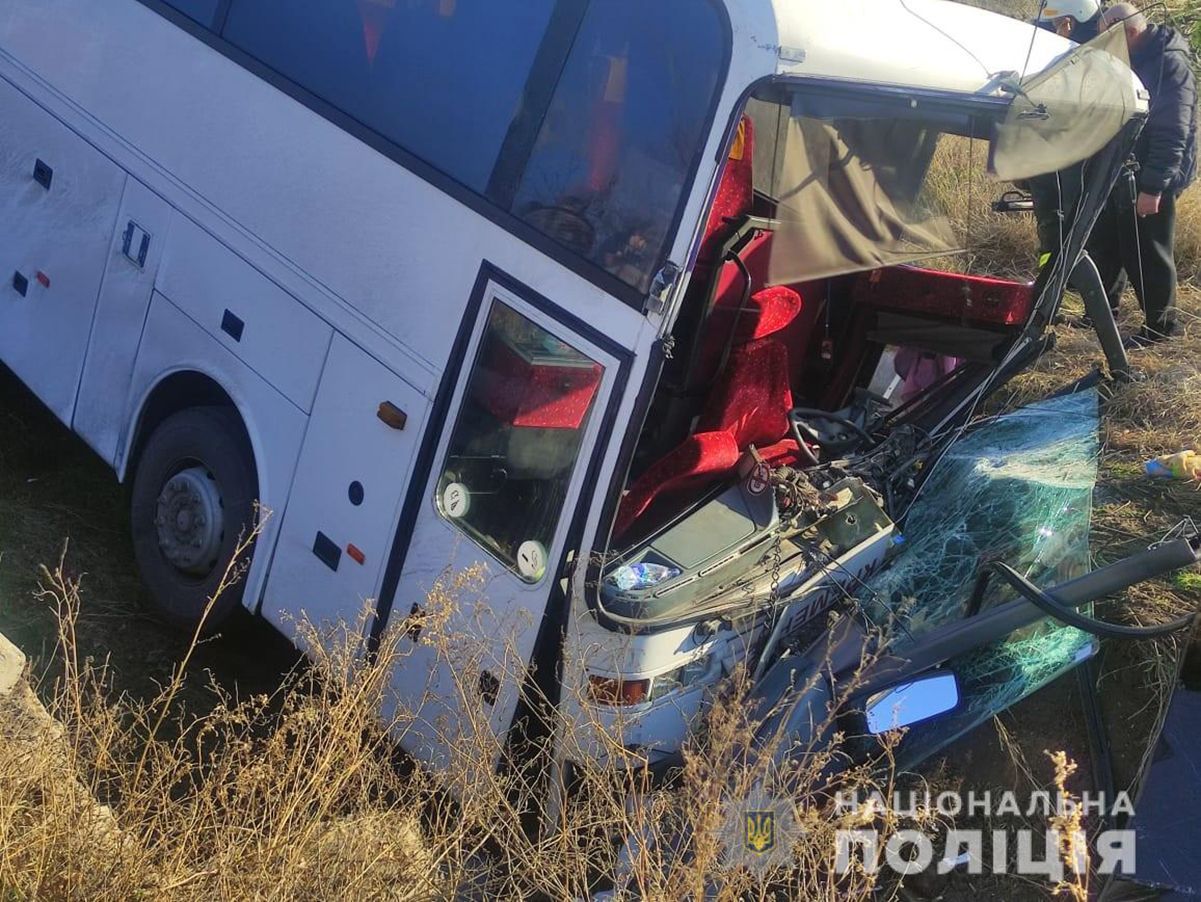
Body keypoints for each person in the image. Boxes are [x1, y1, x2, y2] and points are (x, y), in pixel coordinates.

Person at [1087, 3, 1198, 346]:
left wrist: (1153, 187)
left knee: (1146, 249)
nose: (1104, 44)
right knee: (1107, 241)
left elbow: (1172, 132)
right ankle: (1102, 312)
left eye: (1108, 36)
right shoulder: (1129, 56)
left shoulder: (1168, 63)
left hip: (1154, 173)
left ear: (1130, 32)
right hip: (1123, 168)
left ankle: (1161, 327)